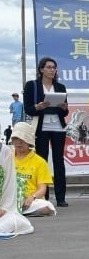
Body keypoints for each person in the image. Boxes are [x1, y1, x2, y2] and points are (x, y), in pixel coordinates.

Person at [23, 57, 69, 207]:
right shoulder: (32, 86)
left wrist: (63, 108)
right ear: (41, 69)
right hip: (40, 127)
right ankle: (44, 196)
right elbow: (28, 109)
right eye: (48, 67)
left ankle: (61, 197)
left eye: (54, 67)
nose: (51, 70)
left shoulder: (60, 87)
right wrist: (38, 107)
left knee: (58, 161)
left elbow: (65, 111)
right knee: (42, 161)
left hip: (57, 126)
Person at [11, 122, 56, 216]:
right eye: (16, 139)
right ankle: (17, 211)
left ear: (29, 141)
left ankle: (17, 212)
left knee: (46, 207)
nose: (19, 142)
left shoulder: (40, 162)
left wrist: (32, 197)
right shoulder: (7, 158)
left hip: (31, 200)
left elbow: (42, 189)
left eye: (23, 139)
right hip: (10, 199)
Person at [0, 142, 34, 237]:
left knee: (15, 221)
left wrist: (4, 209)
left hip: (3, 210)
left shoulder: (4, 151)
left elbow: (9, 184)